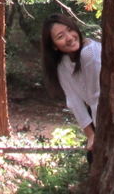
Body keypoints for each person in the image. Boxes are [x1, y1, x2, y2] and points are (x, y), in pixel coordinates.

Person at [41, 13, 101, 159]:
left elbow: (96, 97)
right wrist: (91, 135)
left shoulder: (90, 53)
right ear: (54, 46)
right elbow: (74, 101)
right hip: (97, 118)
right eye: (60, 36)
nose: (69, 37)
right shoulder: (63, 65)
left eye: (70, 30)